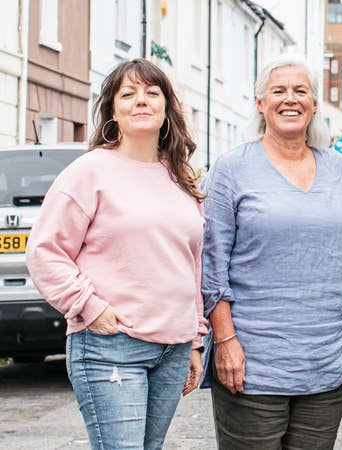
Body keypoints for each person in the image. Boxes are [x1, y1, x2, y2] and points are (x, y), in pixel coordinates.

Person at [25, 58, 207, 449]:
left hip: (173, 349)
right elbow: (45, 251)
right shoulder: (89, 172)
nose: (141, 101)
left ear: (166, 109)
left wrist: (194, 338)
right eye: (129, 94)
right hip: (111, 345)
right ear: (112, 110)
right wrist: (89, 306)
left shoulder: (180, 178)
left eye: (151, 93)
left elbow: (191, 265)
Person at [201, 54, 342, 450]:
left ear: (314, 103)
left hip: (326, 365)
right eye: (279, 91)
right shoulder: (232, 168)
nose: (290, 99)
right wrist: (225, 341)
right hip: (253, 365)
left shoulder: (339, 169)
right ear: (260, 103)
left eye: (300, 91)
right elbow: (211, 264)